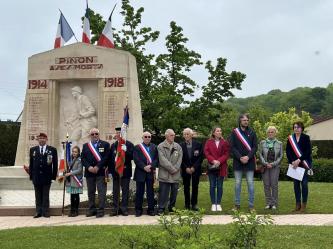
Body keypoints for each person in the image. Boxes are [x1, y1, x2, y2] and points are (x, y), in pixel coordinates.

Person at [230, 114, 258, 212]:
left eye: (247, 120)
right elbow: (232, 147)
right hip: (238, 162)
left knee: (250, 184)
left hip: (249, 162)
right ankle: (237, 205)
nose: (246, 121)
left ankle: (251, 206)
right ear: (240, 121)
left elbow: (255, 147)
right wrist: (240, 157)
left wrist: (248, 157)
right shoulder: (234, 132)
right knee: (237, 184)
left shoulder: (252, 132)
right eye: (244, 120)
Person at [81, 128, 110, 218]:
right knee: (91, 192)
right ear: (90, 135)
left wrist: (98, 166)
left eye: (96, 134)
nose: (94, 135)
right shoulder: (86, 146)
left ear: (99, 134)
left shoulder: (105, 144)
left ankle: (101, 210)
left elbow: (106, 157)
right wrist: (89, 167)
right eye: (92, 134)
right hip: (89, 172)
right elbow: (83, 158)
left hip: (101, 172)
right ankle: (92, 209)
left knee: (101, 192)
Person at [29, 132, 58, 218]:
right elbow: (31, 163)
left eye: (43, 138)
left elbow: (55, 164)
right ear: (38, 139)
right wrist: (31, 176)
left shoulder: (52, 150)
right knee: (37, 195)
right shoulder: (33, 150)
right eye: (40, 138)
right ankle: (38, 211)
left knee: (45, 194)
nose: (41, 139)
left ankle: (45, 211)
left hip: (47, 176)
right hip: (36, 176)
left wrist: (53, 176)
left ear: (46, 139)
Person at [286, 121, 312, 212]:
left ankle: (304, 204)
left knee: (304, 184)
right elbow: (288, 151)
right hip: (294, 166)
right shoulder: (290, 138)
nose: (296, 129)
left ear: (302, 128)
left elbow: (308, 152)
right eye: (295, 127)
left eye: (298, 127)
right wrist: (292, 161)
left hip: (304, 164)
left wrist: (298, 160)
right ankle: (298, 204)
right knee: (296, 185)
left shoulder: (306, 138)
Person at [109, 127, 134, 216]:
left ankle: (124, 208)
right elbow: (111, 160)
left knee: (125, 191)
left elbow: (132, 157)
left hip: (125, 171)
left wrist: (126, 151)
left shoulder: (129, 145)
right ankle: (115, 208)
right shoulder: (113, 145)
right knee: (115, 191)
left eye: (120, 133)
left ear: (124, 134)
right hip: (116, 172)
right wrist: (111, 172)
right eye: (117, 133)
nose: (119, 134)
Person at [157, 129, 183, 215]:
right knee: (163, 192)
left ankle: (172, 207)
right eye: (171, 135)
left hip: (175, 174)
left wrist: (175, 168)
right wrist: (172, 169)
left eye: (174, 135)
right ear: (166, 136)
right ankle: (161, 208)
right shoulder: (160, 146)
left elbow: (180, 159)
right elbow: (162, 160)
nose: (173, 137)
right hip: (165, 174)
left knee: (174, 192)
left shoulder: (178, 147)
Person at [204, 127, 230, 212]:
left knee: (219, 186)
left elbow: (226, 154)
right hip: (212, 167)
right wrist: (213, 160)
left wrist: (219, 161)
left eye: (220, 131)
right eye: (217, 131)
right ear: (214, 133)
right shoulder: (208, 142)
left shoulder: (225, 142)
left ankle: (218, 204)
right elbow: (206, 152)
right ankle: (213, 204)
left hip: (221, 167)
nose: (219, 132)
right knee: (212, 186)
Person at [133, 131, 158, 217]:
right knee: (139, 192)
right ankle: (138, 210)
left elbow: (156, 159)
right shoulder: (137, 147)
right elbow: (136, 159)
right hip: (140, 172)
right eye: (146, 136)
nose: (147, 138)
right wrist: (144, 167)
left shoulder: (154, 147)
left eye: (149, 137)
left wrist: (150, 166)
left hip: (150, 173)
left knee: (150, 192)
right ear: (142, 138)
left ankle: (151, 210)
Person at [258, 126, 283, 210]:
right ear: (267, 133)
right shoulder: (262, 143)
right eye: (269, 132)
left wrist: (273, 164)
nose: (270, 133)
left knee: (274, 185)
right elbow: (260, 154)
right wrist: (265, 163)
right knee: (266, 185)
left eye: (272, 132)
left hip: (275, 167)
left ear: (275, 133)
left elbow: (281, 156)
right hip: (265, 167)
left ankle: (274, 203)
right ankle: (268, 203)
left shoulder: (280, 143)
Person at [180, 128, 204, 211]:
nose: (186, 135)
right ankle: (187, 204)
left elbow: (200, 158)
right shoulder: (181, 145)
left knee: (195, 186)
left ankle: (194, 204)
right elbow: (180, 159)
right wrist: (186, 167)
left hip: (195, 169)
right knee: (186, 187)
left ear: (191, 135)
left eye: (188, 134)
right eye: (185, 134)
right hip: (185, 169)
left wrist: (194, 167)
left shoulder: (198, 144)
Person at [64, 146, 83, 217]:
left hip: (76, 180)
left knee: (76, 196)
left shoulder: (79, 160)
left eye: (75, 152)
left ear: (78, 153)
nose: (74, 153)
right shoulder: (70, 160)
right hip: (71, 181)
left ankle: (76, 210)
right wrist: (65, 172)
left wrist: (70, 173)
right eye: (73, 151)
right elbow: (68, 168)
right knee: (72, 196)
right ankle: (72, 210)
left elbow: (79, 170)